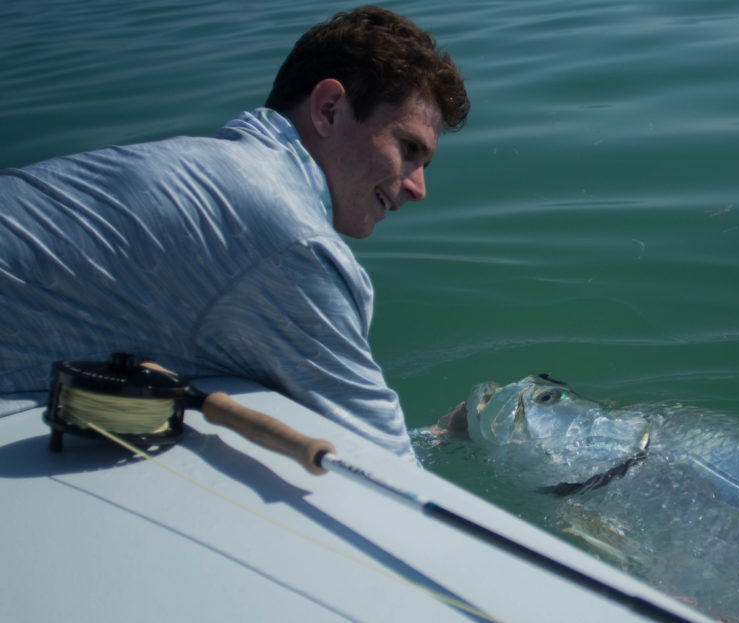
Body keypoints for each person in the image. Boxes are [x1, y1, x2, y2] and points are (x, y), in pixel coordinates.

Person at [0, 6, 469, 463]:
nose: (418, 188)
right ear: (328, 109)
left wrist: (437, 435)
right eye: (408, 148)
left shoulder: (209, 167)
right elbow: (386, 471)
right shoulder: (286, 239)